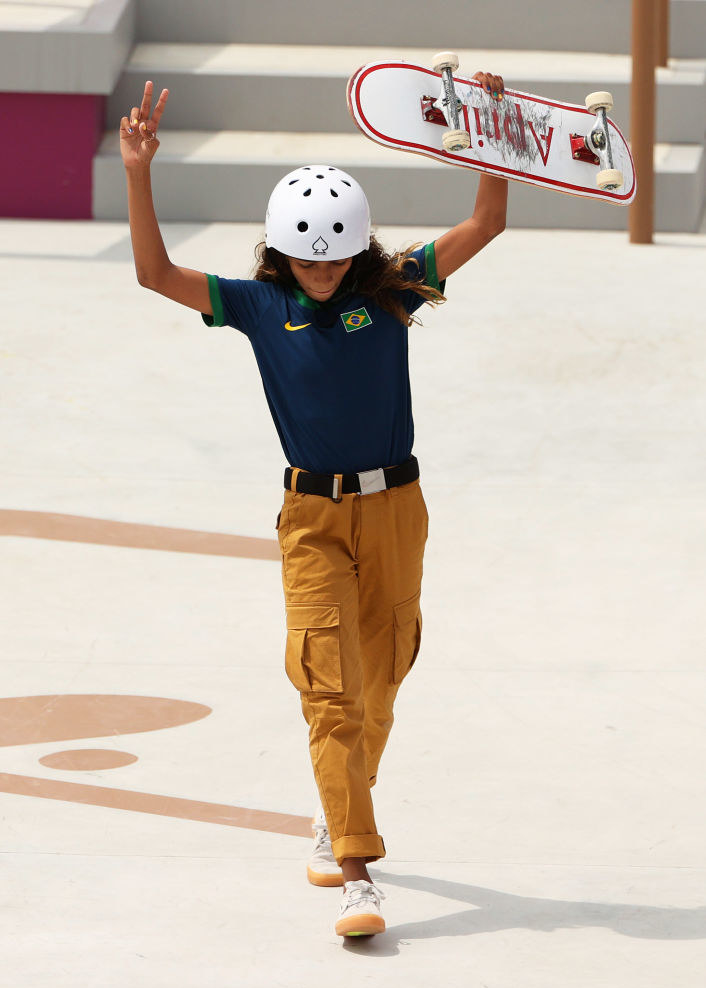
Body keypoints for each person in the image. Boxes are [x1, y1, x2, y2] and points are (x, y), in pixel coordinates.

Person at [121, 75, 507, 939]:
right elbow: (153, 274)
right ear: (279, 255)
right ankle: (359, 876)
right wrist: (139, 174)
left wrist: (485, 143)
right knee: (330, 690)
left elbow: (486, 226)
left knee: (380, 686)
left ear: (361, 251)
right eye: (306, 260)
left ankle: (336, 808)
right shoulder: (259, 306)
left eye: (335, 259)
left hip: (398, 510)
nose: (322, 274)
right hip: (313, 521)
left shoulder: (395, 288)